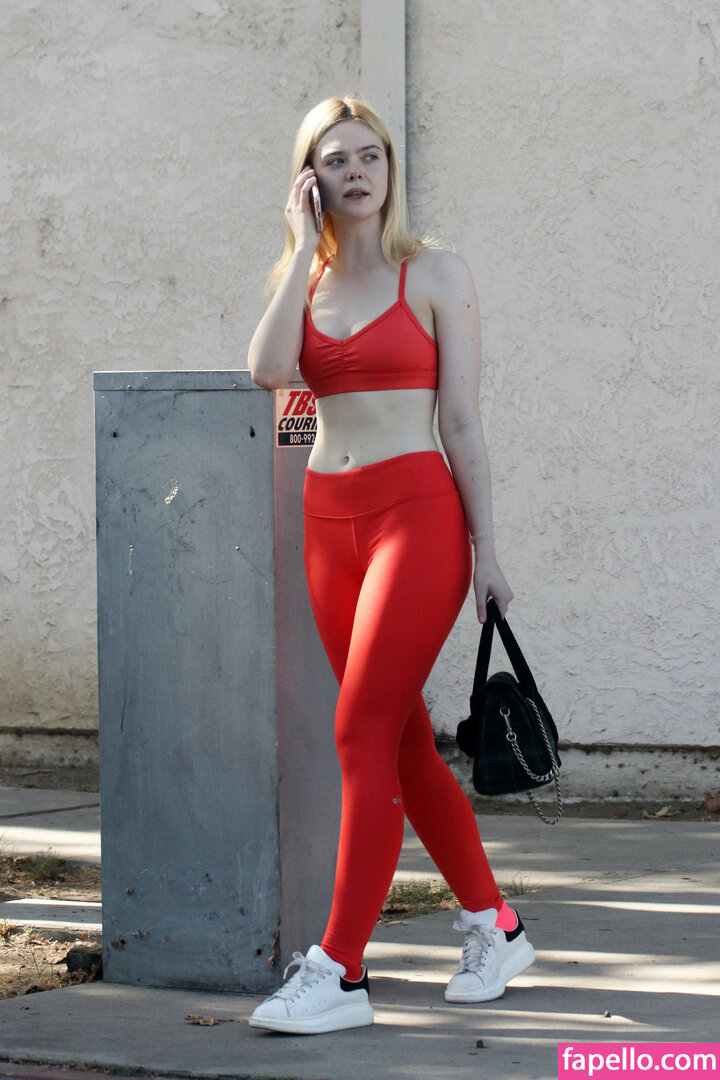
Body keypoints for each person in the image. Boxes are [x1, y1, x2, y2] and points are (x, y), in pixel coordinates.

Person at [247, 96, 534, 1035]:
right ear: (311, 178)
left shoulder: (435, 273)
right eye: (336, 160)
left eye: (370, 156)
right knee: (399, 740)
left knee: (358, 731)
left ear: (389, 170)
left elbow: (462, 422)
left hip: (417, 517)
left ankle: (339, 969)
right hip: (328, 524)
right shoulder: (305, 281)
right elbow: (268, 372)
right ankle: (495, 924)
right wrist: (301, 248)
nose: (357, 172)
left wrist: (488, 551)